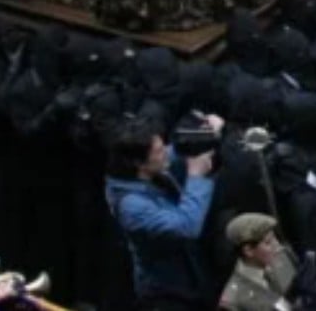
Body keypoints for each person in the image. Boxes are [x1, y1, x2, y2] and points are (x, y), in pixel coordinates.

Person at [105, 115, 221, 311]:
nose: (165, 153)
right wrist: (196, 177)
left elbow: (174, 151)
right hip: (167, 294)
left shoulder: (145, 171)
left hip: (191, 276)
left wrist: (201, 135)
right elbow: (186, 226)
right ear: (138, 163)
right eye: (159, 151)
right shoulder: (132, 205)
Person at [217, 214, 296, 311]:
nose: (277, 246)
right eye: (268, 242)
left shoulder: (284, 256)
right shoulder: (233, 301)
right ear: (248, 251)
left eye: (275, 238)